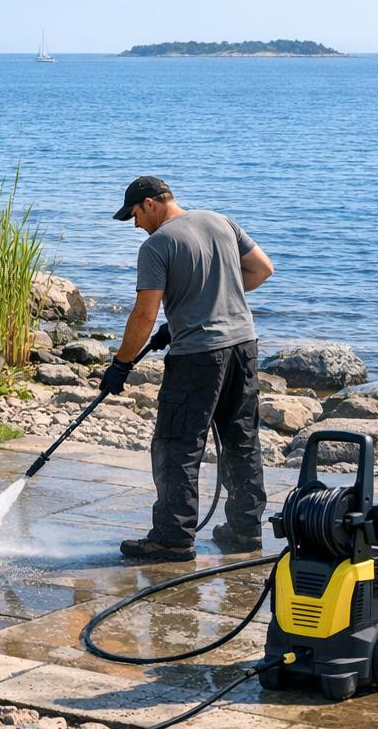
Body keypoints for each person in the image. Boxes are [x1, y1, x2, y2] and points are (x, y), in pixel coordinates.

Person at [101, 175, 274, 561]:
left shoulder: (157, 244)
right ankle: (245, 531)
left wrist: (120, 364)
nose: (135, 225)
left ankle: (172, 539)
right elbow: (262, 270)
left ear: (149, 204)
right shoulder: (221, 222)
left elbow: (144, 313)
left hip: (197, 357)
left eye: (134, 215)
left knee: (177, 444)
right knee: (241, 440)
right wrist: (207, 300)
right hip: (244, 347)